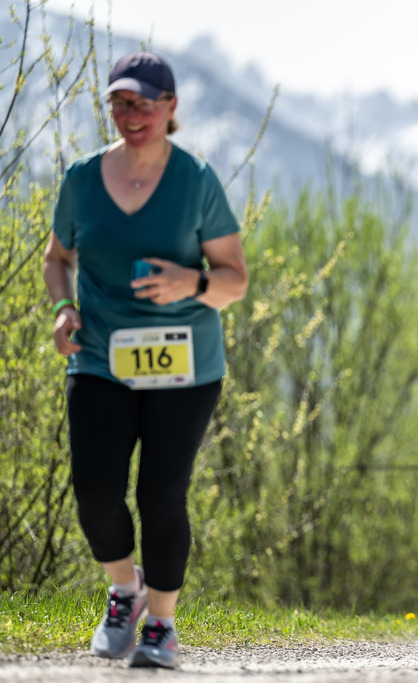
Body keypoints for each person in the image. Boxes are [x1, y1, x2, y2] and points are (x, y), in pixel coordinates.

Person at [42, 52, 248, 669]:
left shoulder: (196, 180)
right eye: (120, 104)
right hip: (102, 356)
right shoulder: (81, 179)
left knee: (162, 493)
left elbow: (234, 281)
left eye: (145, 104)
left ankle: (160, 624)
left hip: (184, 366)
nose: (132, 116)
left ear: (171, 108)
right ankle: (124, 589)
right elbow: (58, 258)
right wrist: (62, 308)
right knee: (94, 493)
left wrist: (190, 281)